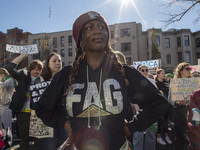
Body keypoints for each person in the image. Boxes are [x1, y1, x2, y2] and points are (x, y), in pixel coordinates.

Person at [36, 11, 168, 150]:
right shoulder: (66, 75)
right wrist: (65, 123)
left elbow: (158, 103)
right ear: (80, 38)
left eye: (101, 27)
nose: (97, 31)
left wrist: (132, 126)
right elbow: (43, 108)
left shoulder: (124, 72)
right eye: (89, 27)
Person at [6, 53, 43, 150]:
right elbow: (9, 69)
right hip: (23, 113)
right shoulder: (23, 76)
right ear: (30, 69)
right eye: (34, 69)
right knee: (24, 137)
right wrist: (22, 56)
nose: (37, 71)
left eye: (39, 69)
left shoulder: (43, 80)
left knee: (38, 138)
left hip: (36, 114)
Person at [37, 52, 68, 149]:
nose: (58, 63)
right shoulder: (40, 80)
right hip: (47, 121)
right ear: (48, 64)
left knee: (65, 145)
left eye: (59, 61)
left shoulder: (67, 79)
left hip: (64, 119)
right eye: (54, 61)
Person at [133, 65, 157, 150]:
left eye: (146, 70)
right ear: (138, 71)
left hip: (150, 112)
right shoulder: (134, 82)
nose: (145, 71)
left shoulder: (152, 82)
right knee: (138, 135)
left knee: (150, 135)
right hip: (138, 112)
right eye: (142, 70)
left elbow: (156, 96)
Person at [168, 62, 191, 150]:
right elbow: (170, 99)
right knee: (180, 135)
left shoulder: (193, 82)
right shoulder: (175, 83)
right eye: (187, 69)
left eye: (190, 69)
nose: (189, 71)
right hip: (179, 111)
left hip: (190, 110)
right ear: (181, 71)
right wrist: (177, 102)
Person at [155, 69, 172, 145]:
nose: (163, 74)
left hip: (167, 104)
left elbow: (170, 91)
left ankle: (166, 136)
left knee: (165, 120)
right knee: (160, 121)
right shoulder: (155, 83)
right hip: (159, 105)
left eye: (164, 73)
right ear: (158, 74)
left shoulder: (166, 83)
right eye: (162, 73)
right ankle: (159, 137)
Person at [0, 68, 15, 132]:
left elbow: (4, 85)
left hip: (6, 104)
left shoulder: (10, 80)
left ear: (2, 74)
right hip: (1, 104)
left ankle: (8, 140)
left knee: (7, 125)